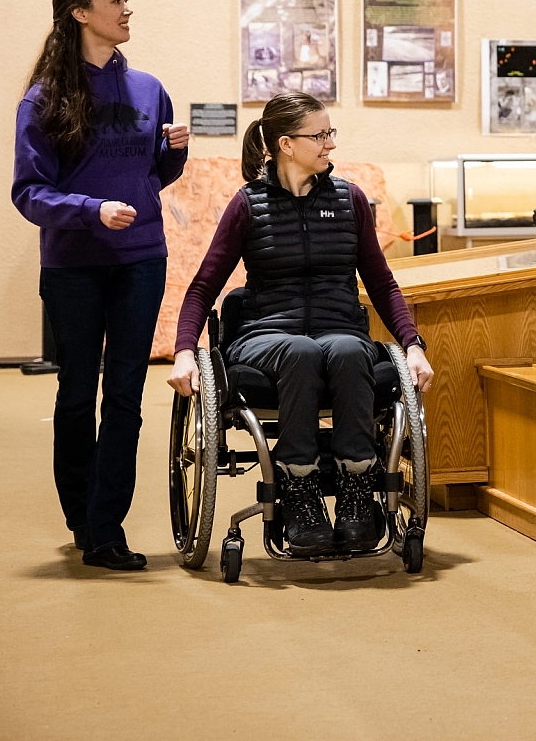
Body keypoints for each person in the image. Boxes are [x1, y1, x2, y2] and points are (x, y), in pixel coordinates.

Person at [169, 91, 434, 556]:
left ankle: (356, 489)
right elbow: (202, 287)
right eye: (321, 134)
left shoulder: (350, 200)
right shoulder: (248, 205)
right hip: (265, 334)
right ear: (287, 144)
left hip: (339, 330)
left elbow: (381, 283)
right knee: (301, 351)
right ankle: (300, 491)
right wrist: (185, 351)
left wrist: (412, 344)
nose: (330, 144)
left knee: (351, 350)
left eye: (330, 133)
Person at [13, 0, 189, 572]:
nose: (127, 8)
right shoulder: (44, 97)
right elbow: (29, 193)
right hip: (74, 265)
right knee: (76, 391)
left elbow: (154, 177)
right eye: (116, 0)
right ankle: (81, 518)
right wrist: (91, 209)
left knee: (125, 397)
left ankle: (107, 528)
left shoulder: (148, 87)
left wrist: (176, 154)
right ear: (80, 13)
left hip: (141, 258)